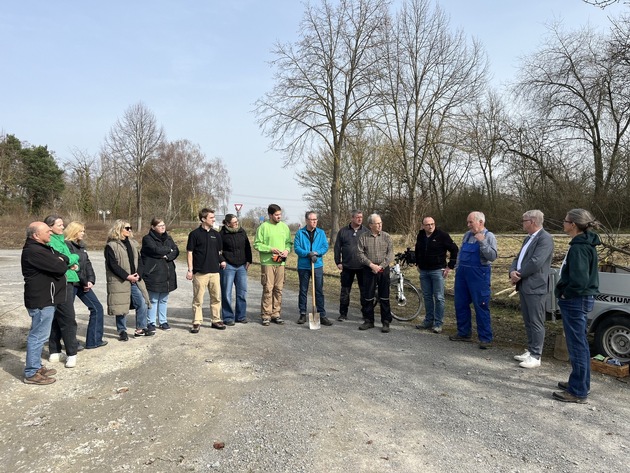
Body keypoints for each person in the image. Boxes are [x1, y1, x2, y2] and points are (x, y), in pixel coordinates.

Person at [552, 209, 600, 403]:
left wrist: (565, 293)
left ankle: (578, 391)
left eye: (565, 221)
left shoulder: (579, 248)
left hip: (575, 300)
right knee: (580, 343)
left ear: (573, 224)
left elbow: (579, 280)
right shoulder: (585, 243)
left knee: (576, 345)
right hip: (580, 299)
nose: (563, 223)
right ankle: (579, 383)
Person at [21, 222, 69, 385]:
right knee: (38, 336)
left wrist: (62, 259)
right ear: (36, 235)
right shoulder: (34, 251)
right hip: (41, 300)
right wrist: (60, 261)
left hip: (47, 298)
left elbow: (64, 257)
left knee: (41, 335)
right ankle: (31, 372)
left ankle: (36, 366)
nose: (51, 233)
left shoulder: (43, 248)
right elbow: (60, 267)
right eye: (47, 231)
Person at [509, 210, 554, 369]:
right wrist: (512, 271)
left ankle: (536, 355)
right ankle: (530, 349)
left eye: (524, 221)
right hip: (524, 285)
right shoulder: (528, 238)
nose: (522, 223)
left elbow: (536, 262)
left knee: (536, 321)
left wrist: (519, 275)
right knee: (528, 320)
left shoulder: (545, 238)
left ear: (533, 222)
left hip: (536, 287)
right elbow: (518, 258)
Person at [450, 211, 498, 349]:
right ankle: (464, 333)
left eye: (471, 222)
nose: (468, 225)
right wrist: (457, 267)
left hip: (479, 276)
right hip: (462, 275)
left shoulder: (489, 236)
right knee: (460, 304)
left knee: (481, 305)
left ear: (480, 222)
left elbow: (492, 257)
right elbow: (460, 254)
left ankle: (485, 338)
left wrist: (482, 242)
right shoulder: (467, 235)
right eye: (468, 222)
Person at [105, 220, 152, 341]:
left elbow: (139, 260)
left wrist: (138, 274)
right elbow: (112, 265)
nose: (130, 230)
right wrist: (127, 276)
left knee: (142, 302)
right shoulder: (111, 246)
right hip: (120, 281)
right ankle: (122, 331)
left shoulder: (133, 243)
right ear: (119, 229)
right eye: (127, 228)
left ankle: (141, 328)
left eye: (130, 228)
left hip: (135, 280)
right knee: (121, 306)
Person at [44, 215, 81, 368]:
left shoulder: (61, 240)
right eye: (59, 225)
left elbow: (70, 260)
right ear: (50, 227)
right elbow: (62, 259)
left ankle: (55, 350)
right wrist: (74, 258)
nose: (63, 227)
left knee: (58, 317)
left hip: (69, 279)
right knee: (67, 317)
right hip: (61, 282)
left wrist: (73, 263)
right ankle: (71, 353)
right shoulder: (50, 241)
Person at [64, 221, 107, 349]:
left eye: (83, 231)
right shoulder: (66, 245)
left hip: (82, 283)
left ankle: (94, 341)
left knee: (97, 308)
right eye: (81, 231)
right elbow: (73, 267)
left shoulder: (81, 245)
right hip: (71, 283)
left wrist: (91, 280)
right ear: (74, 231)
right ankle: (71, 344)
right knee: (68, 314)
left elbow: (87, 264)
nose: (83, 233)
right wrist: (84, 282)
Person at [414, 216, 459, 334]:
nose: (430, 226)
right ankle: (428, 320)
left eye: (432, 224)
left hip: (437, 270)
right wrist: (418, 263)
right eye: (427, 225)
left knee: (439, 297)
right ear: (423, 226)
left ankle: (438, 323)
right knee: (427, 296)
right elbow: (418, 249)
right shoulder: (421, 235)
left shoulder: (442, 235)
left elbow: (454, 249)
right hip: (424, 271)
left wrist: (450, 266)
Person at [186, 208, 226, 333]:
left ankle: (216, 320)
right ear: (203, 219)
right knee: (198, 299)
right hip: (200, 272)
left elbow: (219, 252)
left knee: (216, 298)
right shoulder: (194, 234)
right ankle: (196, 322)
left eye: (214, 217)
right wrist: (190, 270)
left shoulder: (216, 234)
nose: (214, 220)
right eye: (211, 218)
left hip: (214, 272)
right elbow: (190, 252)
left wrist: (222, 260)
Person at [253, 204, 292, 326]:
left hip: (281, 262)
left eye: (280, 214)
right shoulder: (263, 227)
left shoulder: (284, 227)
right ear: (270, 215)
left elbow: (289, 243)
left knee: (278, 289)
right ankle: (266, 315)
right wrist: (270, 249)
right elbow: (257, 244)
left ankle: (276, 314)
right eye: (276, 215)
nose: (279, 216)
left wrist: (287, 250)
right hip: (268, 262)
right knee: (268, 289)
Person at [357, 213, 394, 333]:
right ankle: (369, 320)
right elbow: (360, 254)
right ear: (370, 225)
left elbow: (390, 254)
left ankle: (386, 321)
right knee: (368, 296)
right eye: (377, 223)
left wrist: (381, 266)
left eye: (380, 223)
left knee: (384, 296)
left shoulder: (386, 237)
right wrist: (371, 265)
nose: (379, 225)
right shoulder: (363, 237)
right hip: (369, 269)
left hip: (383, 269)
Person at [294, 211, 332, 326]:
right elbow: (297, 248)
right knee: (303, 290)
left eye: (316, 219)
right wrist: (307, 253)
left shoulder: (321, 233)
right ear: (307, 220)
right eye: (312, 220)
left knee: (319, 290)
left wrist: (316, 253)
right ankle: (302, 313)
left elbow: (325, 246)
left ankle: (322, 315)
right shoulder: (300, 233)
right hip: (304, 266)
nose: (314, 221)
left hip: (317, 265)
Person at [141, 218, 179, 332]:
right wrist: (168, 249)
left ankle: (163, 321)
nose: (163, 227)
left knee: (163, 299)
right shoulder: (147, 239)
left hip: (167, 273)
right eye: (160, 225)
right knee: (153, 299)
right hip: (154, 273)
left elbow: (176, 251)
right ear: (153, 227)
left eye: (163, 225)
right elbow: (155, 250)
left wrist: (167, 256)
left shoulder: (168, 238)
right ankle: (151, 322)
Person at [334, 210, 369, 321]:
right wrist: (338, 262)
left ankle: (366, 314)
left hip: (362, 267)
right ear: (352, 218)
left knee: (364, 292)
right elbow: (337, 248)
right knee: (345, 292)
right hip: (347, 267)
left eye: (361, 217)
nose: (360, 219)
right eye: (357, 217)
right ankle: (343, 314)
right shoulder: (343, 231)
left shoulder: (366, 232)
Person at [219, 214, 252, 325]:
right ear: (228, 223)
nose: (237, 223)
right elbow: (217, 250)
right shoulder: (222, 234)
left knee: (242, 292)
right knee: (226, 293)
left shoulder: (242, 232)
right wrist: (222, 260)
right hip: (228, 266)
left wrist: (249, 260)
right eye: (234, 222)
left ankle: (241, 316)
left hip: (242, 266)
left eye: (237, 221)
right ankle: (228, 317)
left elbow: (247, 247)